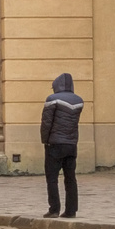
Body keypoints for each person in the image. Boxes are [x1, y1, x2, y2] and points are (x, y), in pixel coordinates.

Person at [41, 72, 84, 217]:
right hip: (71, 144)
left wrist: (45, 140)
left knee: (52, 178)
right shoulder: (79, 100)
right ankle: (71, 210)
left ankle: (54, 209)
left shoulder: (52, 99)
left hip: (55, 144)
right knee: (70, 178)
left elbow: (47, 123)